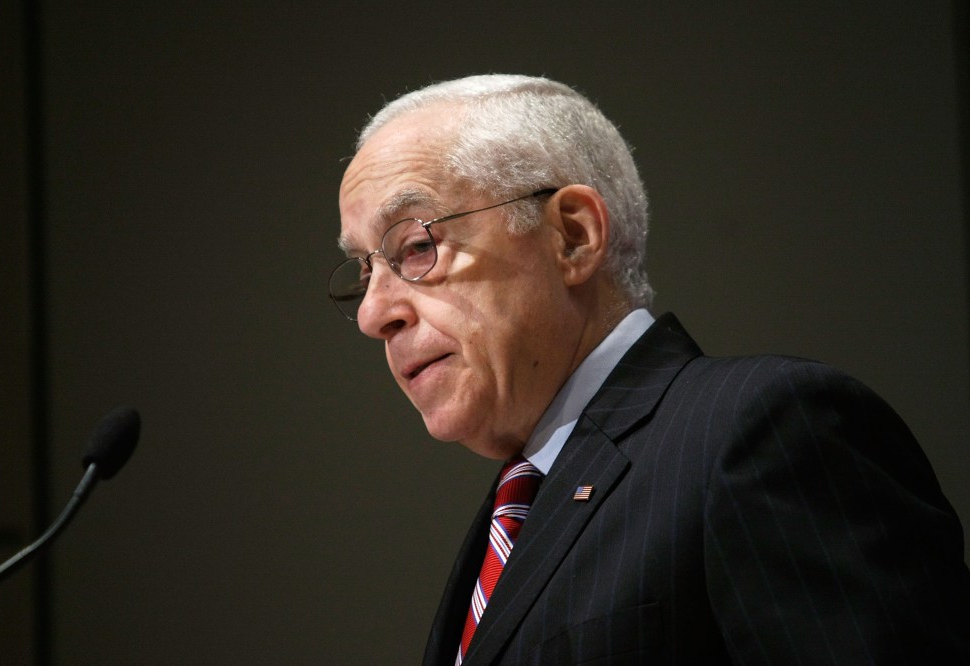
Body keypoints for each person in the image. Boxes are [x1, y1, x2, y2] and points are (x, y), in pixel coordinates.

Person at [328, 74, 970, 665]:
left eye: (416, 246)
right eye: (365, 270)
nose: (374, 314)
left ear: (572, 236)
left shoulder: (766, 430)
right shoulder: (519, 511)